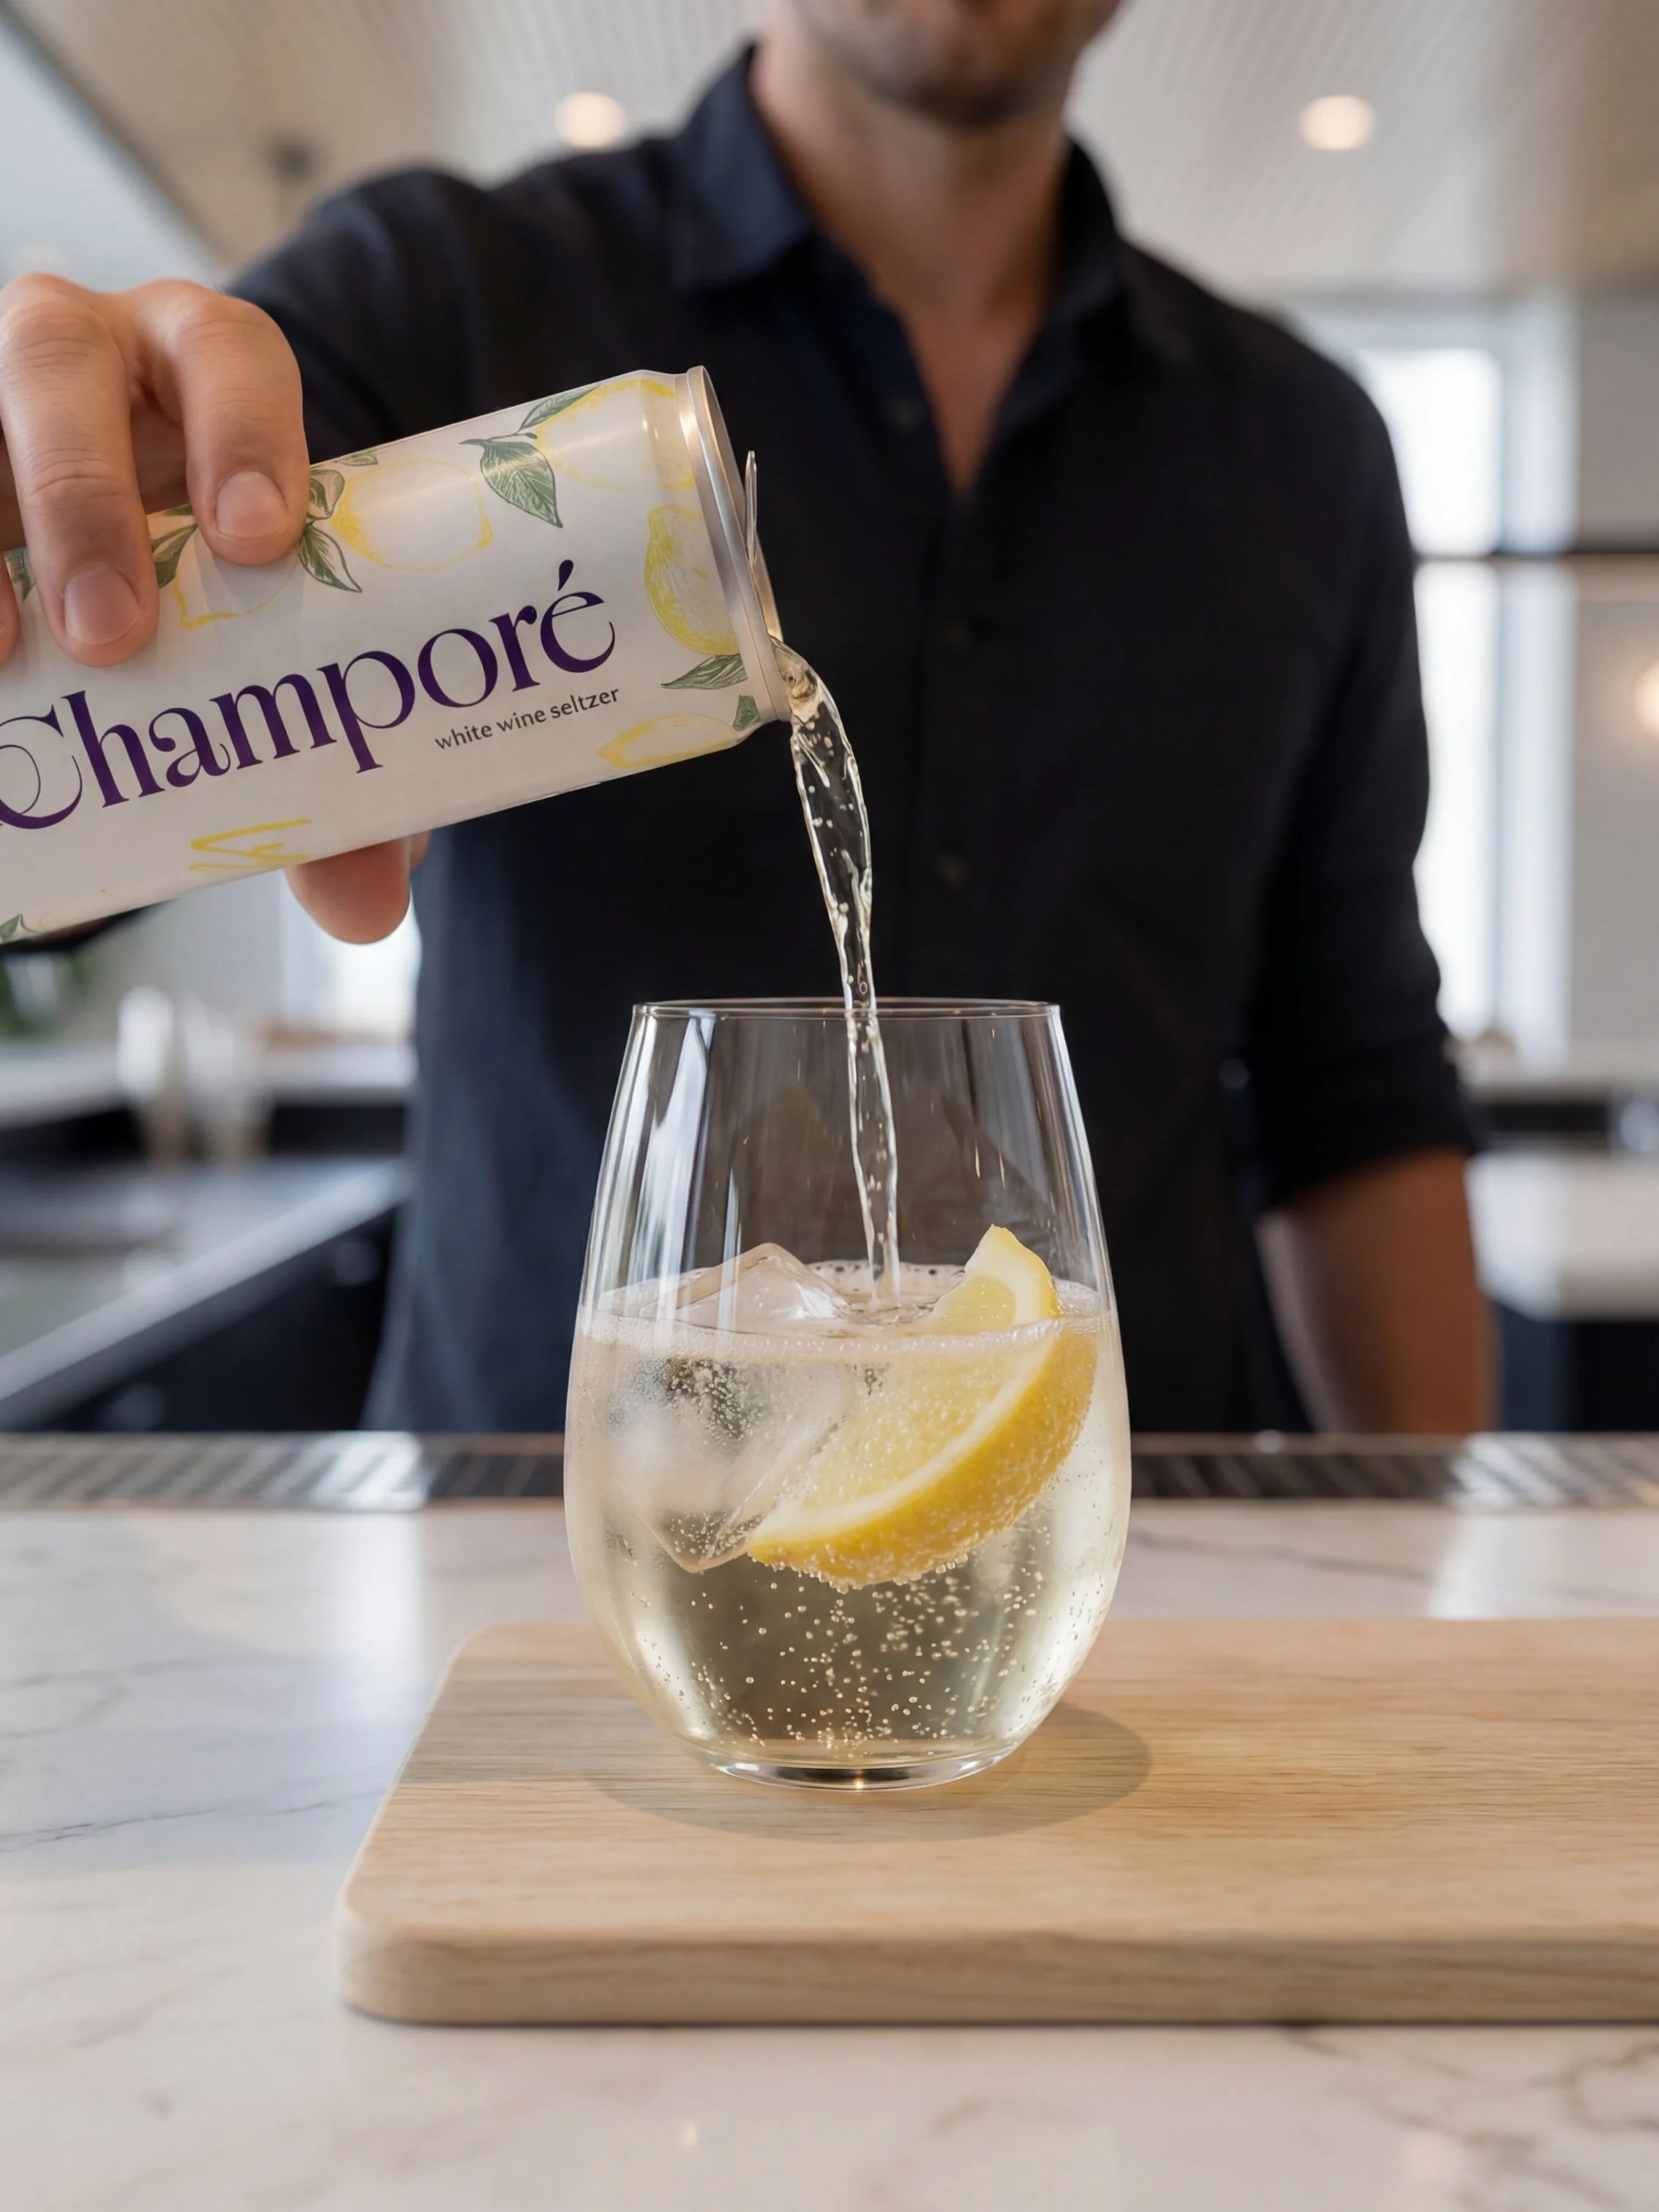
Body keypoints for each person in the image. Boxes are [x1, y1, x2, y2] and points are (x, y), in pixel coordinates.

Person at [0, 0, 1491, 1434]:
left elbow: (1354, 1076)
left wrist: (1444, 1594)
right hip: (541, 1546)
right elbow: (69, 801)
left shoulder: (1301, 448)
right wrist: (62, 571)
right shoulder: (441, 298)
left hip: (1101, 1543)